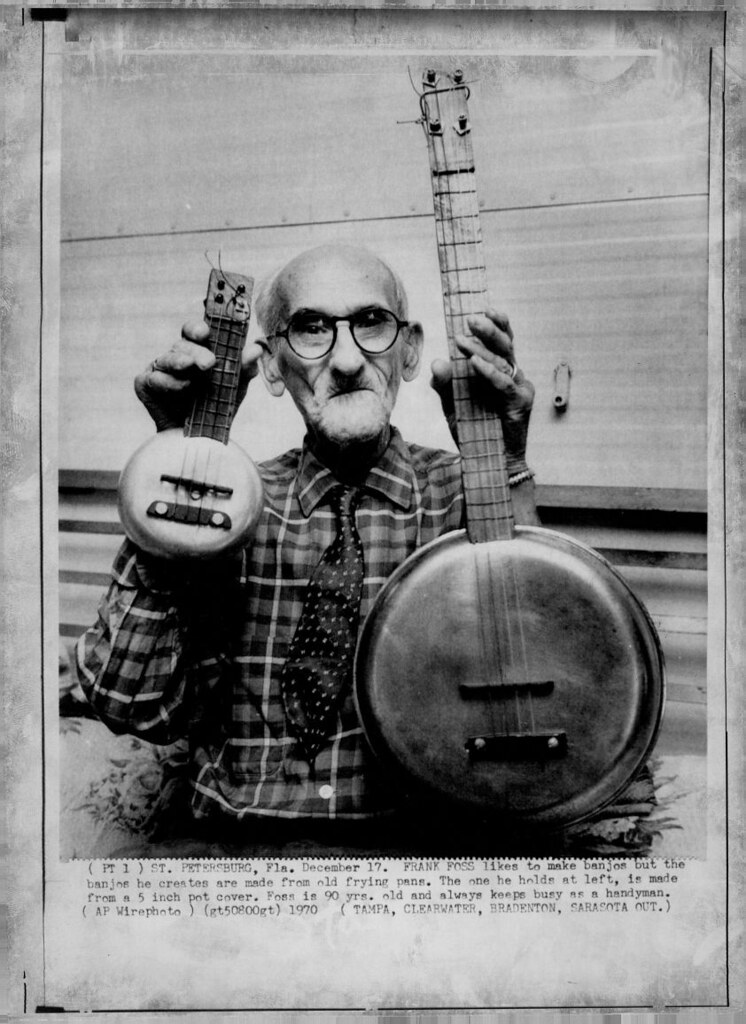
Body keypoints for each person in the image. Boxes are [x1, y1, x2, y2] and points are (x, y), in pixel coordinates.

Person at [76, 243, 538, 854]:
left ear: (410, 350)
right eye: (311, 328)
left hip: (408, 861)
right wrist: (170, 470)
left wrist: (505, 465)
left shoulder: (467, 496)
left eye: (372, 322)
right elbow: (130, 706)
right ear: (269, 365)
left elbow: (537, 688)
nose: (347, 360)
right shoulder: (226, 500)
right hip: (237, 855)